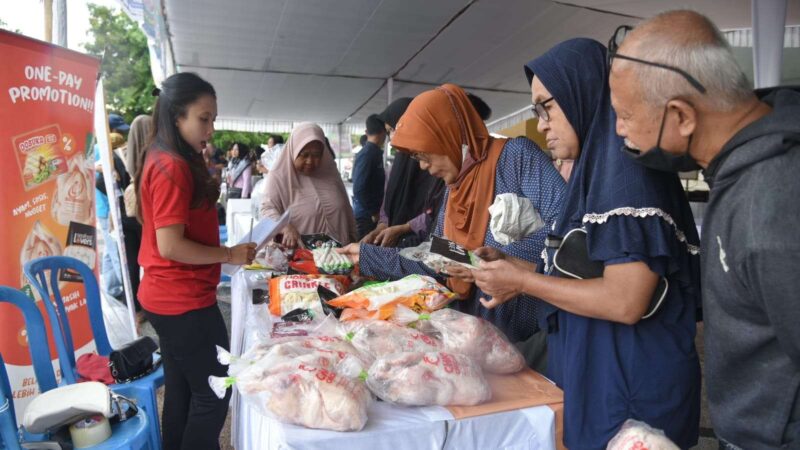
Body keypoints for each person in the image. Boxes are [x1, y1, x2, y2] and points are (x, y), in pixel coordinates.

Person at [471, 38, 702, 449]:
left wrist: (524, 283)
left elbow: (625, 300)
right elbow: (587, 272)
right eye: (536, 111)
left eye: (547, 107)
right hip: (599, 374)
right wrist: (511, 268)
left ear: (583, 92)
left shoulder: (627, 175)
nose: (541, 123)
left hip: (630, 386)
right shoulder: (594, 175)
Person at [608, 10, 800, 449]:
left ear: (682, 115)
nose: (619, 131)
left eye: (625, 115)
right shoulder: (745, 168)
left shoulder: (771, 206)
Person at [338, 83, 565, 359]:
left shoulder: (515, 158)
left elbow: (569, 238)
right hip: (472, 343)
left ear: (445, 135)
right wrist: (364, 256)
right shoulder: (454, 187)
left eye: (423, 154)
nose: (421, 166)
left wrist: (509, 264)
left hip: (527, 341)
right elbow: (441, 259)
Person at [133, 72, 256, 450]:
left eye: (213, 119)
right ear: (176, 117)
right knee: (215, 392)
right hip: (181, 299)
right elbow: (170, 244)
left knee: (186, 391)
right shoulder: (171, 166)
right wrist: (228, 255)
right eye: (204, 119)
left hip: (166, 296)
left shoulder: (168, 157)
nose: (211, 129)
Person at [365, 94, 494, 248]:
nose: (423, 165)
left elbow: (448, 244)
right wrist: (383, 226)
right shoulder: (448, 179)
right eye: (388, 132)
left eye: (394, 128)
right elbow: (442, 244)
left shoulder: (507, 157)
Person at [260, 122, 357, 247]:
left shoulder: (330, 173)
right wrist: (284, 227)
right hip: (302, 258)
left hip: (339, 258)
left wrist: (354, 238)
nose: (310, 161)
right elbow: (267, 209)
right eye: (304, 155)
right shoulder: (279, 176)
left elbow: (347, 209)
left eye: (316, 155)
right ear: (293, 151)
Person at [119, 114, 152, 318]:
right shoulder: (156, 157)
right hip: (146, 215)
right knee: (150, 261)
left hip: (128, 215)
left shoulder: (123, 157)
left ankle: (135, 310)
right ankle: (147, 304)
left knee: (131, 264)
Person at [352, 114, 386, 239]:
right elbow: (359, 188)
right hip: (366, 215)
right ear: (384, 132)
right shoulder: (368, 154)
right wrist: (373, 212)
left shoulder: (375, 152)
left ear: (366, 132)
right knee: (363, 251)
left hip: (370, 213)